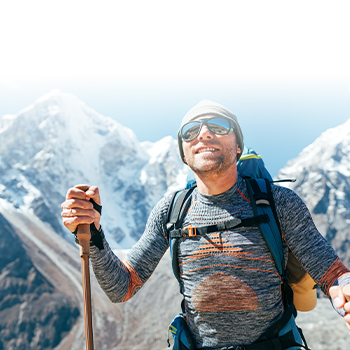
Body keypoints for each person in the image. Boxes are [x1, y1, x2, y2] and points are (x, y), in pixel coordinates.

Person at [61, 100, 350, 349]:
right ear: (184, 154)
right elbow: (122, 287)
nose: (205, 134)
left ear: (237, 146)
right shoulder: (170, 211)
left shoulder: (278, 202)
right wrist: (94, 234)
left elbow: (332, 275)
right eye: (191, 131)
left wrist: (345, 290)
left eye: (219, 126)